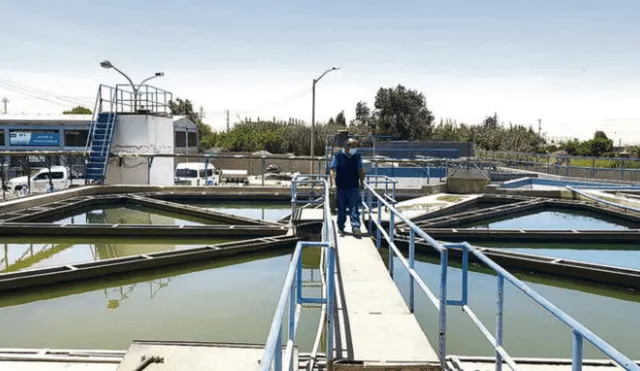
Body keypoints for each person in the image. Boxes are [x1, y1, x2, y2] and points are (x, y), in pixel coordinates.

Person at [329, 138, 366, 236]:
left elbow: (360, 170)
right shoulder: (338, 156)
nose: (355, 149)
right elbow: (333, 170)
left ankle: (356, 227)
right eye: (353, 147)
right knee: (341, 209)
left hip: (354, 186)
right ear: (347, 146)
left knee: (354, 208)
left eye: (356, 147)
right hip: (341, 186)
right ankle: (341, 227)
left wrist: (362, 182)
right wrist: (333, 183)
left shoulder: (357, 156)